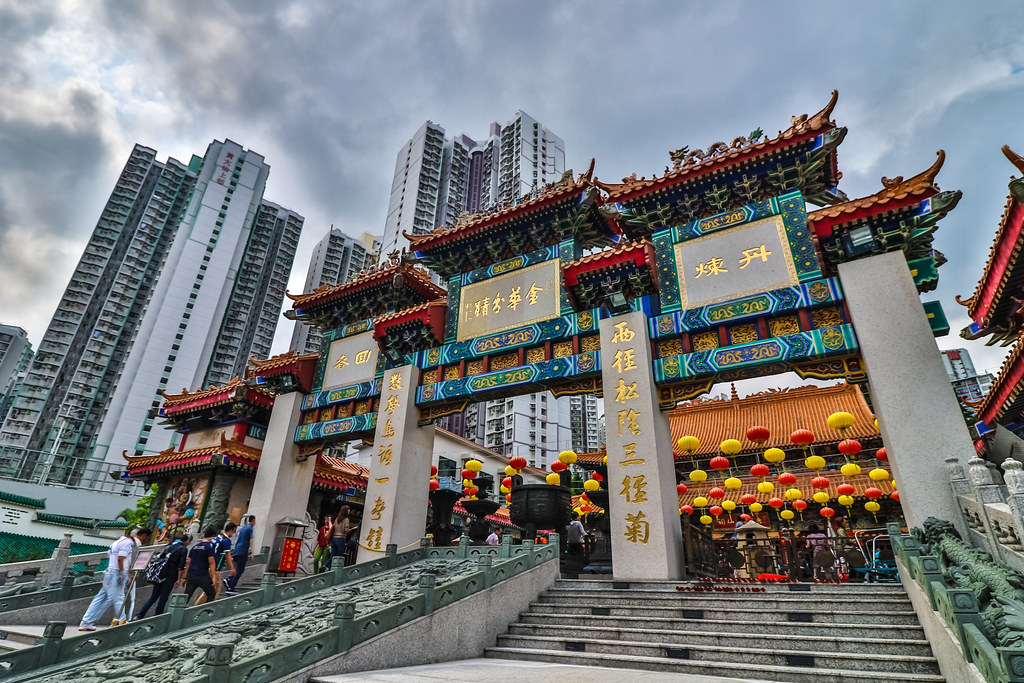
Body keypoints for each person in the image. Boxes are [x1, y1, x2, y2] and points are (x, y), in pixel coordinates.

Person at [78, 527, 151, 631]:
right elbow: (121, 558)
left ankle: (86, 622)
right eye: (146, 538)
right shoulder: (128, 543)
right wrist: (122, 574)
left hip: (110, 573)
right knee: (119, 598)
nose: (145, 541)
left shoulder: (117, 542)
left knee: (101, 598)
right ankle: (122, 621)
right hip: (115, 573)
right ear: (143, 535)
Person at [136, 534, 190, 619]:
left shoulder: (169, 546)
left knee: (153, 597)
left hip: (160, 574)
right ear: (187, 541)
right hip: (170, 576)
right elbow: (181, 566)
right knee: (163, 598)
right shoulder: (183, 549)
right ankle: (157, 617)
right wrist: (179, 579)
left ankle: (140, 615)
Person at [197, 522, 235, 604]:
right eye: (234, 531)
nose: (233, 534)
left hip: (209, 564)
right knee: (214, 588)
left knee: (214, 587)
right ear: (231, 530)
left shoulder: (217, 538)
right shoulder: (226, 540)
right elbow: (227, 554)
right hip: (216, 566)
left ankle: (206, 604)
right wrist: (232, 567)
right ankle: (200, 605)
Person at [183, 526, 219, 605]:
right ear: (212, 536)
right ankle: (206, 612)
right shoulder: (209, 547)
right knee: (211, 594)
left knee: (186, 597)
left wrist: (185, 577)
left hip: (191, 576)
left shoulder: (195, 547)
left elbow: (188, 562)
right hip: (202, 575)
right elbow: (211, 563)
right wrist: (213, 577)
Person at [225, 515, 254, 593]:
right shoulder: (250, 528)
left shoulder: (241, 529)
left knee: (238, 568)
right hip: (243, 550)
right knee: (240, 570)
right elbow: (251, 540)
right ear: (253, 521)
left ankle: (229, 579)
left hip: (236, 550)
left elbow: (236, 538)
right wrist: (252, 552)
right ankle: (231, 587)